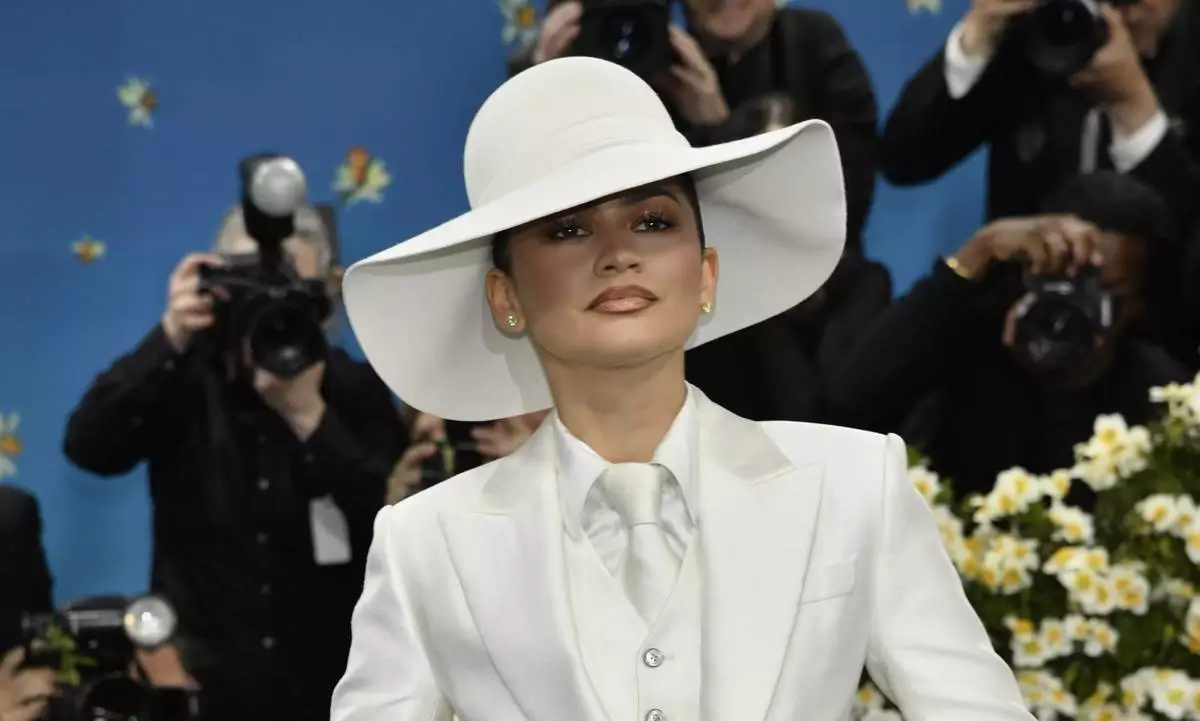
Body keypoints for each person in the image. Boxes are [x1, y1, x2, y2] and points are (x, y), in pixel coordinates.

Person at [330, 57, 1031, 720]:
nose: (618, 253)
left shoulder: (852, 485)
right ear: (505, 295)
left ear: (706, 274)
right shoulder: (426, 542)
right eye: (569, 228)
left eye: (653, 221)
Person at [62, 204, 406, 721]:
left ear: (328, 290)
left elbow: (392, 520)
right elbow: (89, 447)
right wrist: (171, 334)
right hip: (200, 682)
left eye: (292, 283)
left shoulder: (354, 387)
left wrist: (309, 416)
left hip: (334, 682)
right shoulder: (182, 375)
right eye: (252, 279)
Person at [514, 0, 889, 423]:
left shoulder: (810, 45)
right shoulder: (637, 62)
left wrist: (720, 127)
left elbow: (837, 205)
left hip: (807, 328)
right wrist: (542, 79)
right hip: (680, 338)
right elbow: (549, 204)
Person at [825, 171, 1188, 500]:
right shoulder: (973, 336)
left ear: (1139, 304)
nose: (1077, 309)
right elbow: (845, 406)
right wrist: (975, 254)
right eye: (1064, 282)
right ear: (1030, 269)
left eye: (1107, 296)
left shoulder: (1159, 392)